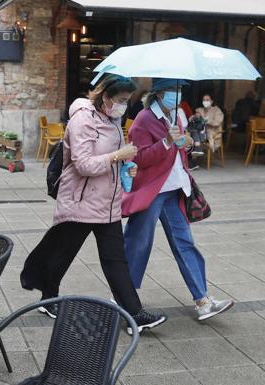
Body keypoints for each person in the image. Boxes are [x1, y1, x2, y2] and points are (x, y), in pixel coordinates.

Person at [20, 74, 167, 334]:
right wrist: (116, 156)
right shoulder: (82, 120)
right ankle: (47, 295)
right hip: (81, 200)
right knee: (62, 251)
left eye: (127, 101)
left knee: (115, 258)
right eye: (121, 100)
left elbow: (111, 158)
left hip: (107, 202)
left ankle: (135, 314)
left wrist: (125, 166)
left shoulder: (113, 118)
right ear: (106, 97)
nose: (124, 105)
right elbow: (84, 164)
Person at [122, 78, 234, 321]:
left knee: (185, 243)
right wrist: (166, 142)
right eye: (174, 90)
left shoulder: (177, 115)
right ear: (160, 94)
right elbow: (139, 158)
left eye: (180, 89)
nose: (178, 94)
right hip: (152, 191)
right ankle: (124, 298)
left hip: (174, 190)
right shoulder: (143, 120)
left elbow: (179, 150)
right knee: (138, 244)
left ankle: (202, 300)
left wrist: (186, 144)